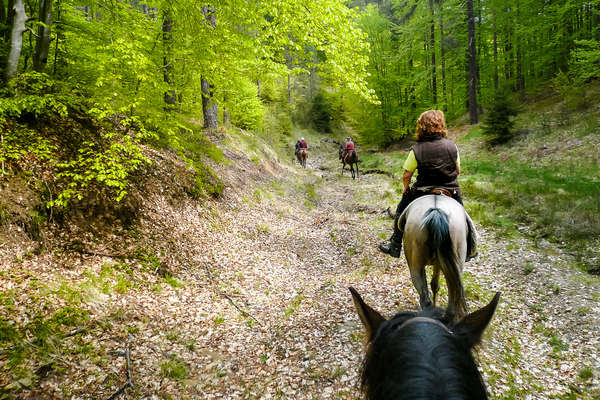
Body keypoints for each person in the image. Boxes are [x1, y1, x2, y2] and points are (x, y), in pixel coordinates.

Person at [378, 110, 476, 260]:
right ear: (441, 125)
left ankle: (395, 245)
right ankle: (470, 249)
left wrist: (406, 188)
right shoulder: (452, 146)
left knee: (401, 209)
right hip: (450, 190)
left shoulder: (416, 149)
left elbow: (406, 174)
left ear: (421, 127)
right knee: (464, 217)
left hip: (422, 191)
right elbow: (458, 170)